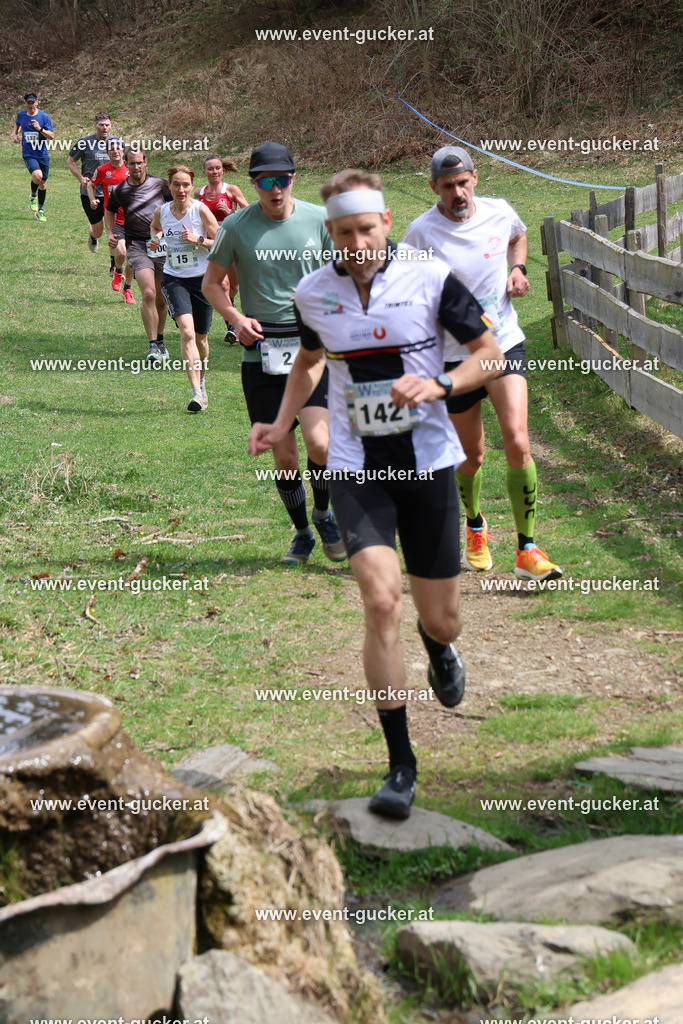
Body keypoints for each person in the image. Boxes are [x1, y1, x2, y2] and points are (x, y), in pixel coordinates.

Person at [248, 170, 504, 818]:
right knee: (380, 599)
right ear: (328, 234)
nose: (356, 242)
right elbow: (308, 361)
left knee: (438, 615)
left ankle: (438, 643)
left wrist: (442, 387)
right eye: (343, 232)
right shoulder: (313, 293)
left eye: (366, 228)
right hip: (357, 466)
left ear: (386, 221)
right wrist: (281, 423)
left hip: (426, 463)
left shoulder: (430, 278)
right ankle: (400, 765)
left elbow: (489, 354)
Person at [404, 146, 562, 581]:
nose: (458, 192)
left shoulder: (499, 211)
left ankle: (527, 546)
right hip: (456, 358)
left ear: (476, 177)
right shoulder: (420, 233)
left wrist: (518, 268)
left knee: (516, 437)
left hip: (503, 343)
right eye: (448, 185)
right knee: (471, 456)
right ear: (433, 187)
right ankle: (475, 525)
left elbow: (517, 235)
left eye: (463, 182)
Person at [202, 142, 345, 566]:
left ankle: (324, 513)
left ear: (293, 179)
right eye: (266, 181)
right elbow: (211, 284)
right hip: (261, 351)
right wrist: (235, 320)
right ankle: (302, 533)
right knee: (284, 459)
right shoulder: (236, 226)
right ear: (252, 183)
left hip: (312, 345)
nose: (275, 189)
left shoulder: (320, 220)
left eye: (282, 180)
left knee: (321, 444)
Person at [150, 165, 218, 411]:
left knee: (201, 338)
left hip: (202, 280)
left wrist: (198, 239)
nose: (181, 189)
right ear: (169, 185)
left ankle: (202, 381)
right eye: (176, 184)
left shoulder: (200, 210)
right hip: (174, 278)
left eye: (186, 184)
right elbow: (155, 230)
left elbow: (220, 242)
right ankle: (196, 393)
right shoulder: (162, 211)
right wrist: (155, 240)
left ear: (192, 186)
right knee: (187, 333)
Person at [105, 149, 172, 362]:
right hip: (136, 246)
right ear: (126, 163)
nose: (136, 167)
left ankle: (161, 340)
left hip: (160, 245)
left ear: (146, 162)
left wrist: (166, 233)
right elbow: (109, 210)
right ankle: (153, 346)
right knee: (149, 293)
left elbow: (175, 207)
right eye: (132, 163)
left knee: (161, 298)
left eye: (139, 163)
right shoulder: (121, 189)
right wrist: (110, 233)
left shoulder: (160, 184)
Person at [194, 153, 248, 344]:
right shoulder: (199, 194)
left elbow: (249, 214)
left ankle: (230, 304)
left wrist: (230, 212)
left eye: (217, 168)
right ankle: (232, 326)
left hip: (231, 243)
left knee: (234, 286)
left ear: (222, 170)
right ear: (204, 172)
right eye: (210, 168)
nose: (214, 171)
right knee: (223, 285)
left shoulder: (231, 190)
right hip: (210, 244)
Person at [67, 112, 122, 258]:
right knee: (99, 231)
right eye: (101, 125)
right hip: (91, 192)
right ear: (95, 126)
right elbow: (71, 161)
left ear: (111, 126)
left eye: (107, 125)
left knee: (115, 229)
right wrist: (80, 178)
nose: (104, 128)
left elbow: (125, 163)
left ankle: (114, 267)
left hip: (112, 193)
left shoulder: (117, 143)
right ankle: (92, 235)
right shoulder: (85, 143)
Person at [87, 139, 136, 303]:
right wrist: (93, 200)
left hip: (134, 218)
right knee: (122, 253)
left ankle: (127, 289)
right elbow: (90, 185)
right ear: (107, 153)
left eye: (118, 149)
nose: (115, 152)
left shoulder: (131, 168)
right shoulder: (102, 170)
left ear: (123, 152)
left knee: (133, 258)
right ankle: (117, 271)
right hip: (115, 218)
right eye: (112, 149)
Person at [13, 92, 54, 222]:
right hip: (28, 153)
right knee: (37, 175)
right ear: (25, 103)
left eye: (33, 102)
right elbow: (18, 123)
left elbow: (51, 136)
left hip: (42, 154)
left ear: (37, 102)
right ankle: (33, 196)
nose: (31, 105)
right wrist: (15, 134)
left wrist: (40, 129)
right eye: (29, 103)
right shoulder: (21, 115)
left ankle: (40, 210)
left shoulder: (44, 116)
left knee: (43, 183)